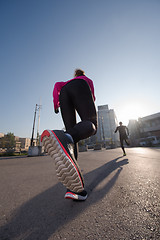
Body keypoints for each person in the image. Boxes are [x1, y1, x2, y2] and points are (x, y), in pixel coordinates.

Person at [41, 69, 97, 201]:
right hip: (81, 89)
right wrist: (89, 102)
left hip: (64, 93)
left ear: (74, 75)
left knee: (72, 137)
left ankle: (73, 188)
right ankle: (64, 137)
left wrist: (56, 104)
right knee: (91, 124)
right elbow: (92, 96)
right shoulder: (86, 80)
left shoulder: (66, 82)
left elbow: (57, 85)